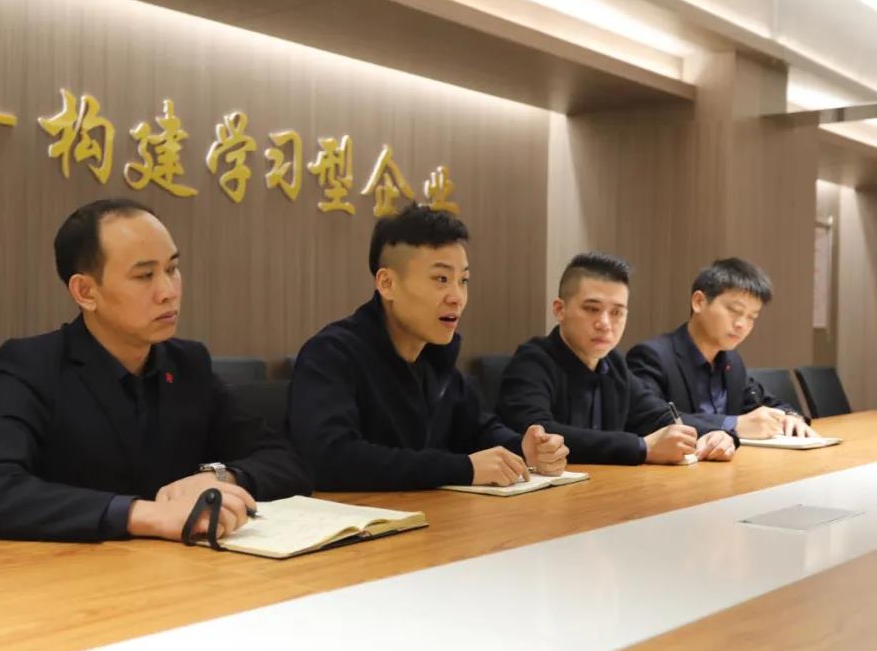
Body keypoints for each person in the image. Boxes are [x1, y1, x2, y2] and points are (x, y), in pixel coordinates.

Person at [0, 198, 311, 542]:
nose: (168, 292)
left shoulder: (188, 364)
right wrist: (143, 515)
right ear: (86, 292)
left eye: (172, 269)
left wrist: (220, 477)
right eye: (144, 276)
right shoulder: (33, 365)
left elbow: (286, 461)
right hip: (72, 570)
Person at [288, 204, 568, 492]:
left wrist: (523, 448)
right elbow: (330, 458)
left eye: (463, 281)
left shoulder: (435, 356)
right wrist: (464, 469)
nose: (457, 297)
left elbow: (477, 429)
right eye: (441, 279)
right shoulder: (331, 354)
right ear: (387, 283)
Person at [496, 252, 736, 465]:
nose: (605, 323)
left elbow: (660, 416)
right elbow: (540, 435)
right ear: (560, 310)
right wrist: (641, 447)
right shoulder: (532, 361)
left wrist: (714, 434)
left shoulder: (614, 364)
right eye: (592, 309)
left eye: (617, 312)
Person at [627, 257, 817, 439]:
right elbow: (649, 419)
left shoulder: (731, 360)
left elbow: (766, 401)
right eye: (735, 311)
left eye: (752, 317)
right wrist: (733, 424)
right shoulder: (652, 356)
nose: (742, 324)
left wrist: (791, 417)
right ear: (699, 302)